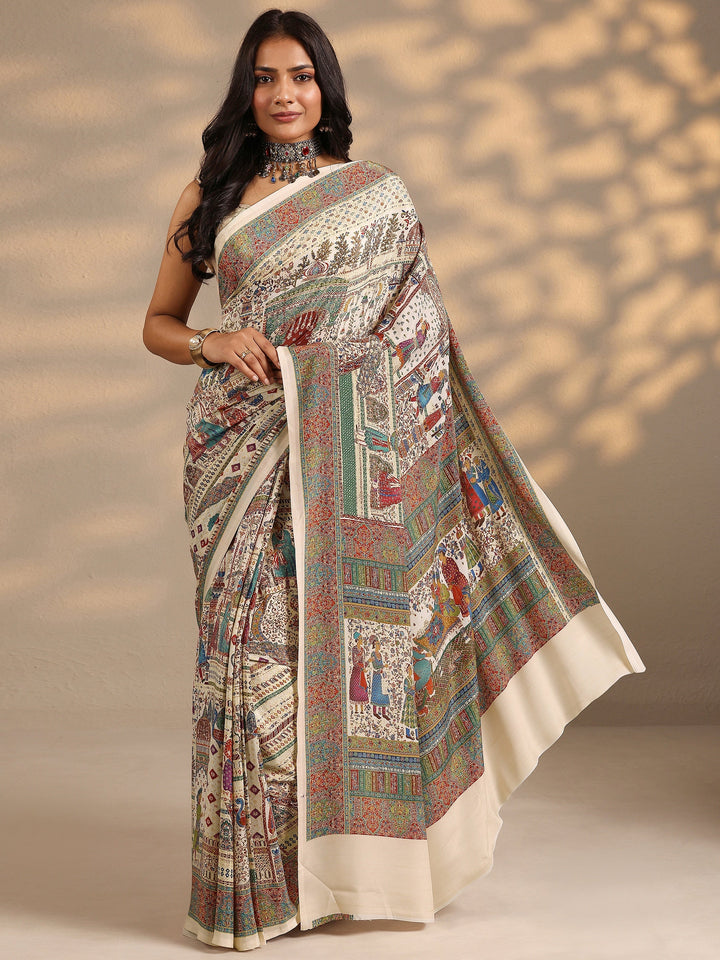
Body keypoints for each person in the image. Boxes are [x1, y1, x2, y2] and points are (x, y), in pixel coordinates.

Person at [143, 8, 646, 953]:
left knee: (335, 665)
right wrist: (213, 340)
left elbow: (417, 343)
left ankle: (337, 877)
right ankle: (254, 888)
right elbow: (159, 325)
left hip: (346, 459)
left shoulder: (376, 196)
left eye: (300, 76)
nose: (284, 95)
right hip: (237, 458)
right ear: (245, 90)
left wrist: (321, 379)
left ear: (325, 86)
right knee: (246, 667)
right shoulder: (208, 196)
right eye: (265, 78)